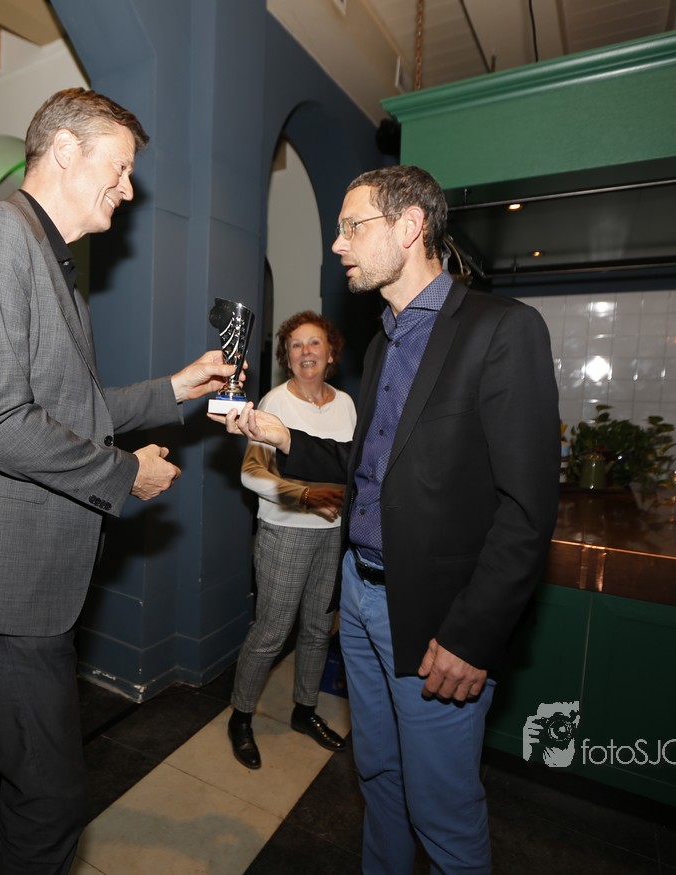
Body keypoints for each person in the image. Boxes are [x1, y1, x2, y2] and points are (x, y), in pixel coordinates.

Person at [0, 88, 237, 875]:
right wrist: (125, 472)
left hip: (23, 578)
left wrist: (174, 389)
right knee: (50, 801)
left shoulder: (43, 255)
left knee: (10, 773)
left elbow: (67, 407)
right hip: (4, 579)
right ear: (62, 150)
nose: (127, 188)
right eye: (118, 168)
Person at [218, 165, 558, 874]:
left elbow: (527, 510)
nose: (337, 244)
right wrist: (282, 436)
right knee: (377, 776)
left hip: (436, 617)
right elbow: (368, 466)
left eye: (352, 226)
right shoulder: (383, 342)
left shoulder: (502, 329)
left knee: (441, 808)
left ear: (409, 227)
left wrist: (471, 635)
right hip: (362, 593)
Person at [228, 310, 356, 769]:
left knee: (320, 630)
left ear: (331, 353)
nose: (306, 352)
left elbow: (351, 468)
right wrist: (306, 497)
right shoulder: (274, 403)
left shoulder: (347, 404)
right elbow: (251, 474)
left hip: (334, 535)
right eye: (296, 345)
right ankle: (241, 716)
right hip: (285, 532)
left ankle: (305, 709)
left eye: (314, 342)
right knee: (271, 632)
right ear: (287, 356)